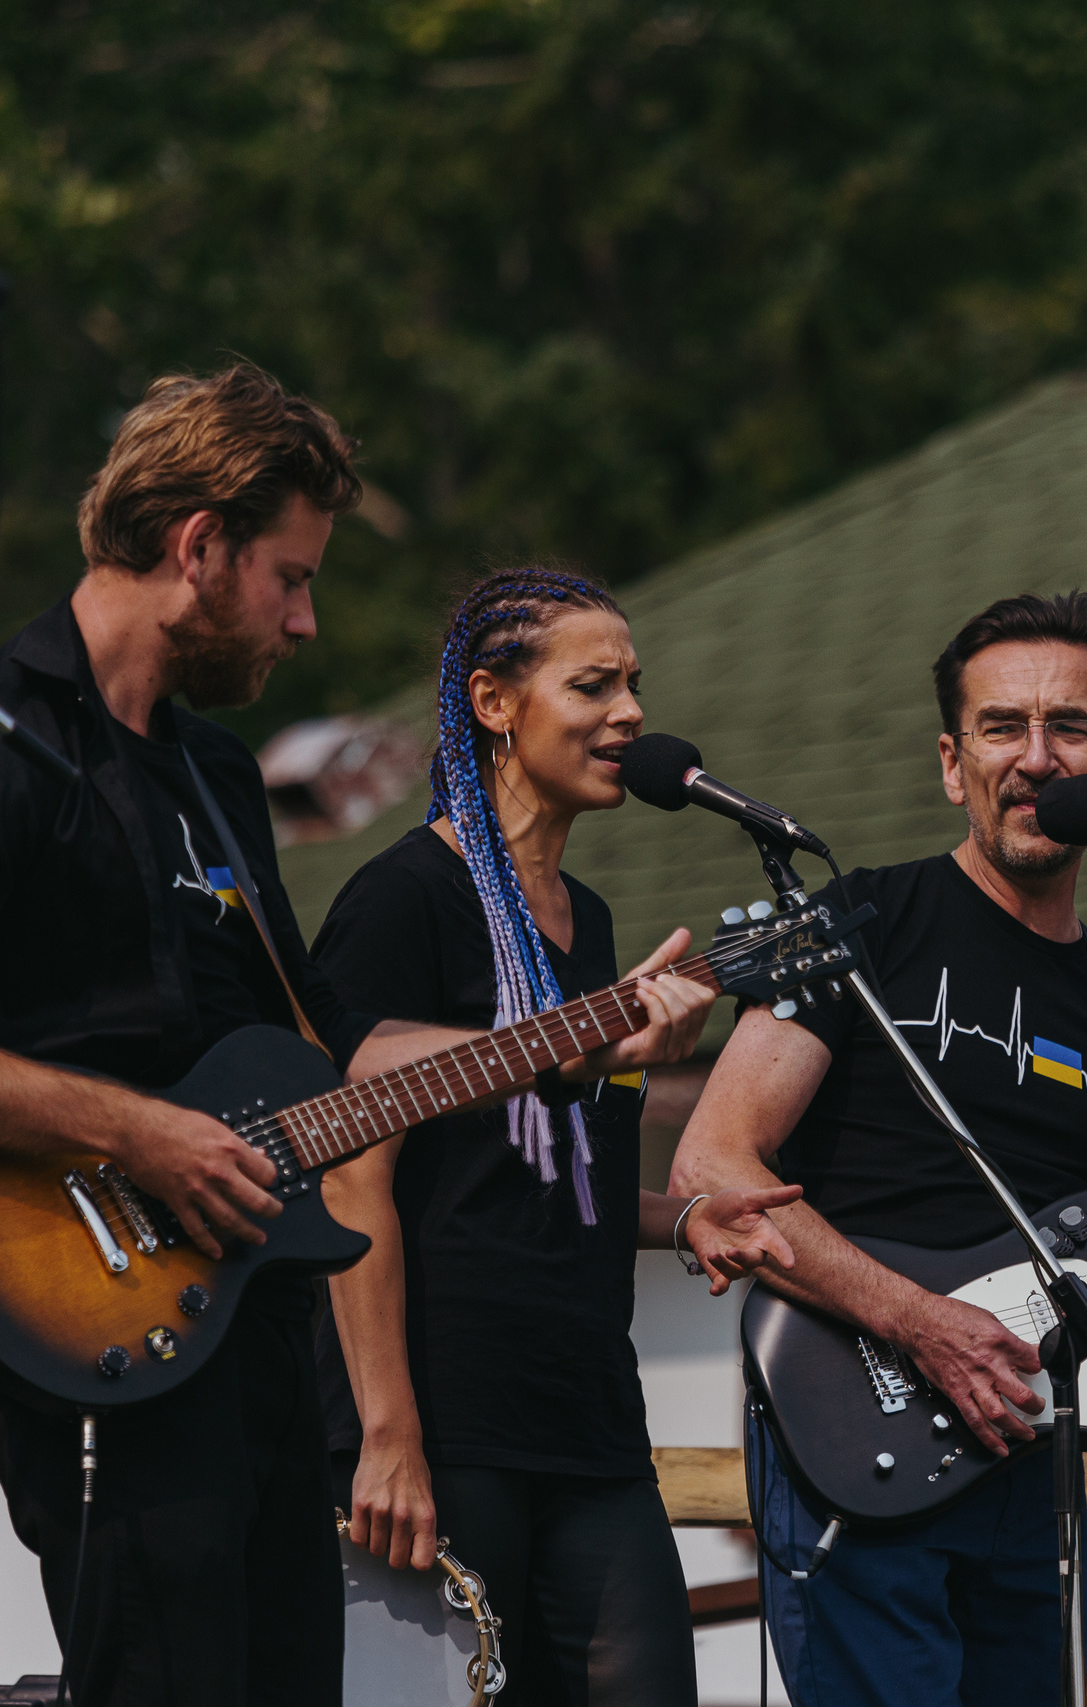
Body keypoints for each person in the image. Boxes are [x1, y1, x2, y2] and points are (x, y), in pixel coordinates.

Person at [667, 590, 1087, 1704]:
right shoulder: (860, 923)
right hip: (856, 1432)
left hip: (1029, 1475)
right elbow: (714, 1167)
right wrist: (922, 1323)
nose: (1035, 758)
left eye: (1067, 728)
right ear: (953, 764)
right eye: (1001, 728)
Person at [0, 363, 423, 1706]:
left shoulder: (220, 774)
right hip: (93, 1318)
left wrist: (571, 1035)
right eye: (288, 576)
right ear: (197, 546)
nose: (307, 618)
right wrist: (135, 1129)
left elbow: (324, 1049)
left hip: (264, 1335)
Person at [309, 565, 799, 1706]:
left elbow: (540, 1174)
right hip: (446, 1414)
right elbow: (350, 1175)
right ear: (493, 702)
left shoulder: (596, 927)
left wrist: (679, 1215)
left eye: (635, 684)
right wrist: (387, 1433)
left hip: (584, 1412)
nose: (631, 713)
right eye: (594, 685)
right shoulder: (403, 899)